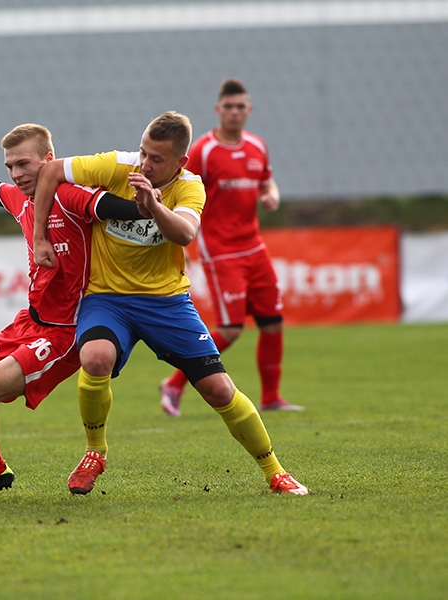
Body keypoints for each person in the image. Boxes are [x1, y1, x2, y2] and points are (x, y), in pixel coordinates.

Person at [32, 111, 308, 496]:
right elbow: (50, 172)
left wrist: (153, 206)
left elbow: (185, 233)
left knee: (219, 390)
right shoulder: (117, 165)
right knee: (94, 358)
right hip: (108, 299)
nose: (145, 163)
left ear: (180, 162)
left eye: (156, 158)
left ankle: (275, 472)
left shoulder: (190, 186)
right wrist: (40, 237)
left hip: (167, 303)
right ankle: (95, 451)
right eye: (143, 152)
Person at [0, 107, 150, 508]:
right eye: (10, 166)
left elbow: (117, 208)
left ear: (49, 159)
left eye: (23, 163)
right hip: (29, 321)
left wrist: (151, 204)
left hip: (66, 330)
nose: (16, 174)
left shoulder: (70, 195)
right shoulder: (20, 199)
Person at [159, 78, 303, 416]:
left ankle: (271, 397)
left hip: (255, 246)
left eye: (240, 106)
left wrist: (272, 195)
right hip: (220, 249)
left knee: (273, 323)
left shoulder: (257, 146)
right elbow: (180, 188)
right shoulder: (204, 150)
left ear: (248, 110)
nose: (235, 112)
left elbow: (267, 182)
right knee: (230, 328)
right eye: (229, 107)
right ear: (218, 110)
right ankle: (174, 384)